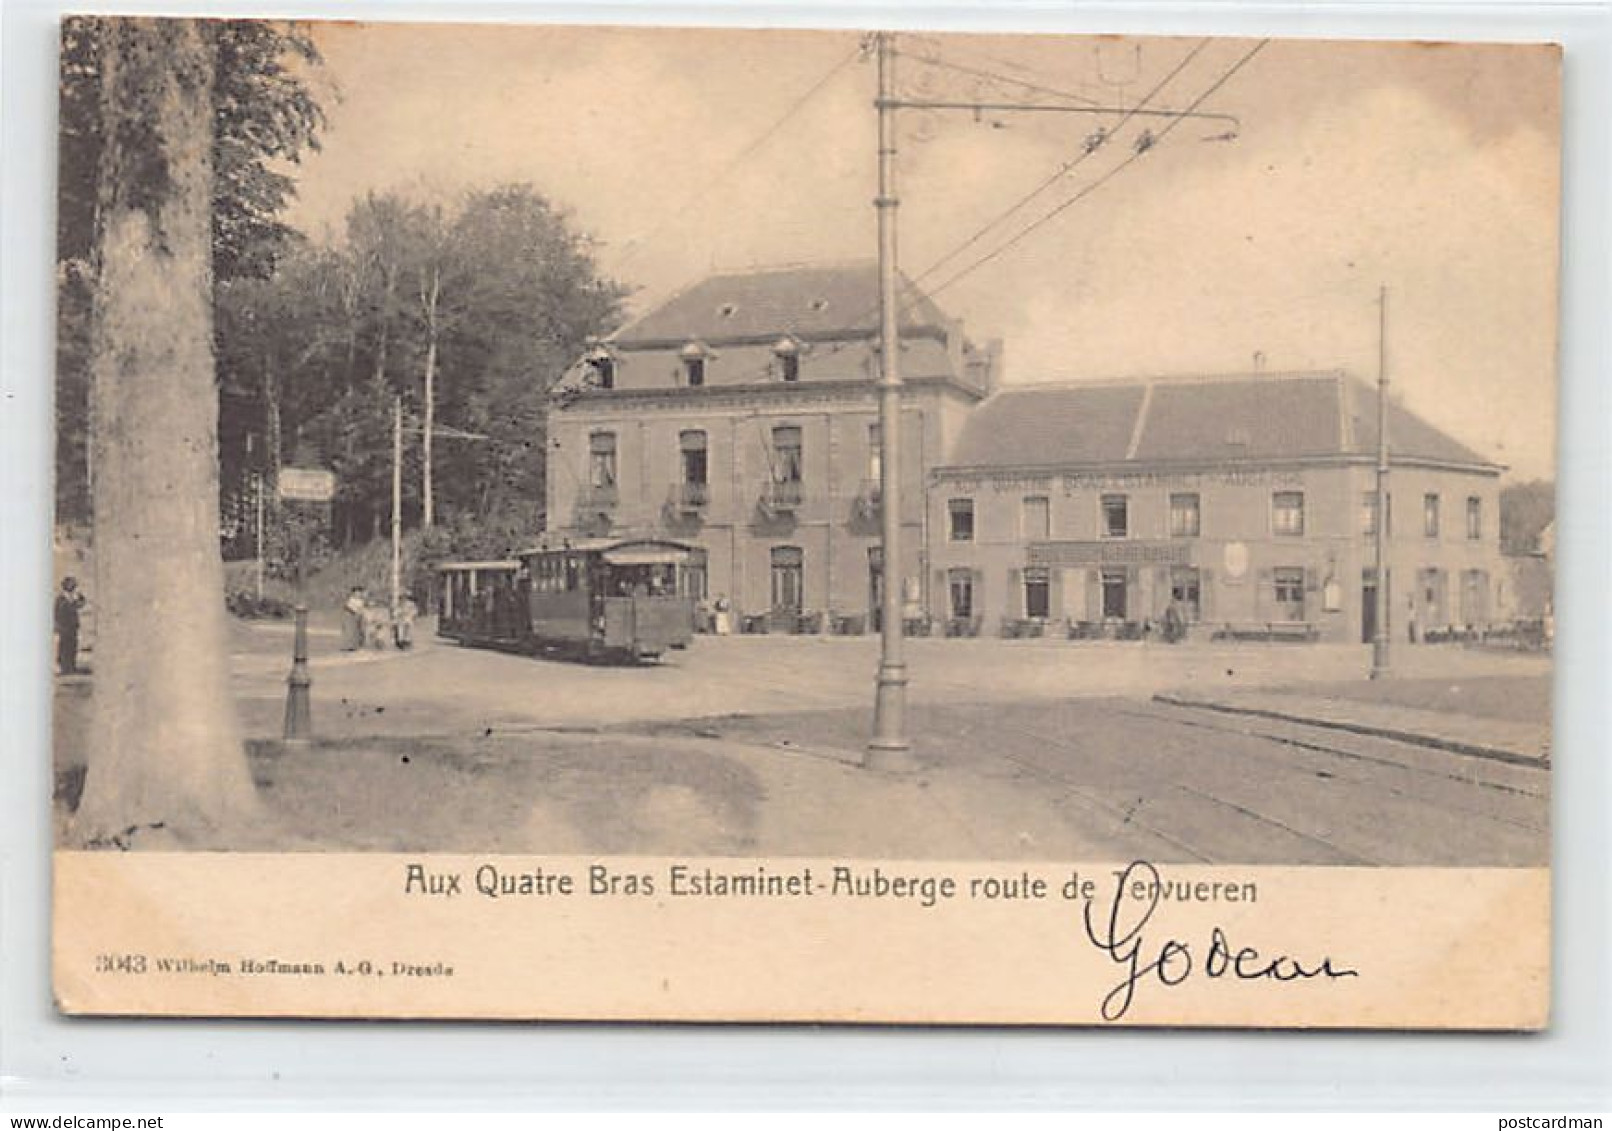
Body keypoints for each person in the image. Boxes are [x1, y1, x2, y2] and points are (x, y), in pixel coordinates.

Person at [54, 577, 86, 675]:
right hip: (64, 628)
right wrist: (58, 626)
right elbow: (57, 613)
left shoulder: (72, 598)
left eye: (74, 584)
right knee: (64, 648)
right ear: (65, 586)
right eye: (71, 584)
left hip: (72, 628)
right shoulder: (61, 599)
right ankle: (64, 668)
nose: (73, 586)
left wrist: (81, 597)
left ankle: (71, 667)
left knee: (72, 647)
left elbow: (80, 604)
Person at [341, 586, 366, 651]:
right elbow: (346, 607)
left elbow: (361, 609)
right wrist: (353, 612)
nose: (358, 594)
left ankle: (355, 645)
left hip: (358, 617)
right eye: (357, 592)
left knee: (357, 631)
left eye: (360, 592)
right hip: (350, 616)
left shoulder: (361, 601)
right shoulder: (351, 599)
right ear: (354, 593)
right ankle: (348, 645)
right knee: (350, 631)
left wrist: (360, 614)